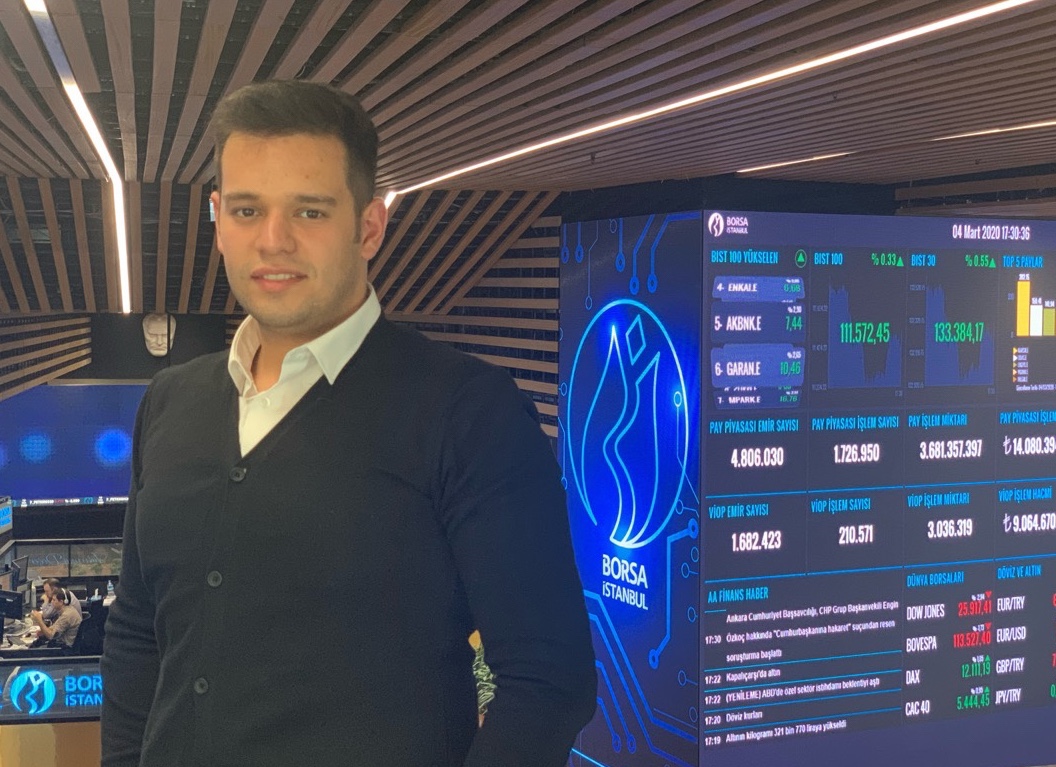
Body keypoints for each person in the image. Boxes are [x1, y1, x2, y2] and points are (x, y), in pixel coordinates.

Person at [101, 80, 596, 767]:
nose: (272, 241)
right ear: (217, 218)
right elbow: (136, 631)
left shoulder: (469, 413)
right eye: (247, 209)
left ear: (369, 226)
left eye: (309, 211)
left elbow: (549, 681)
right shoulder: (169, 401)